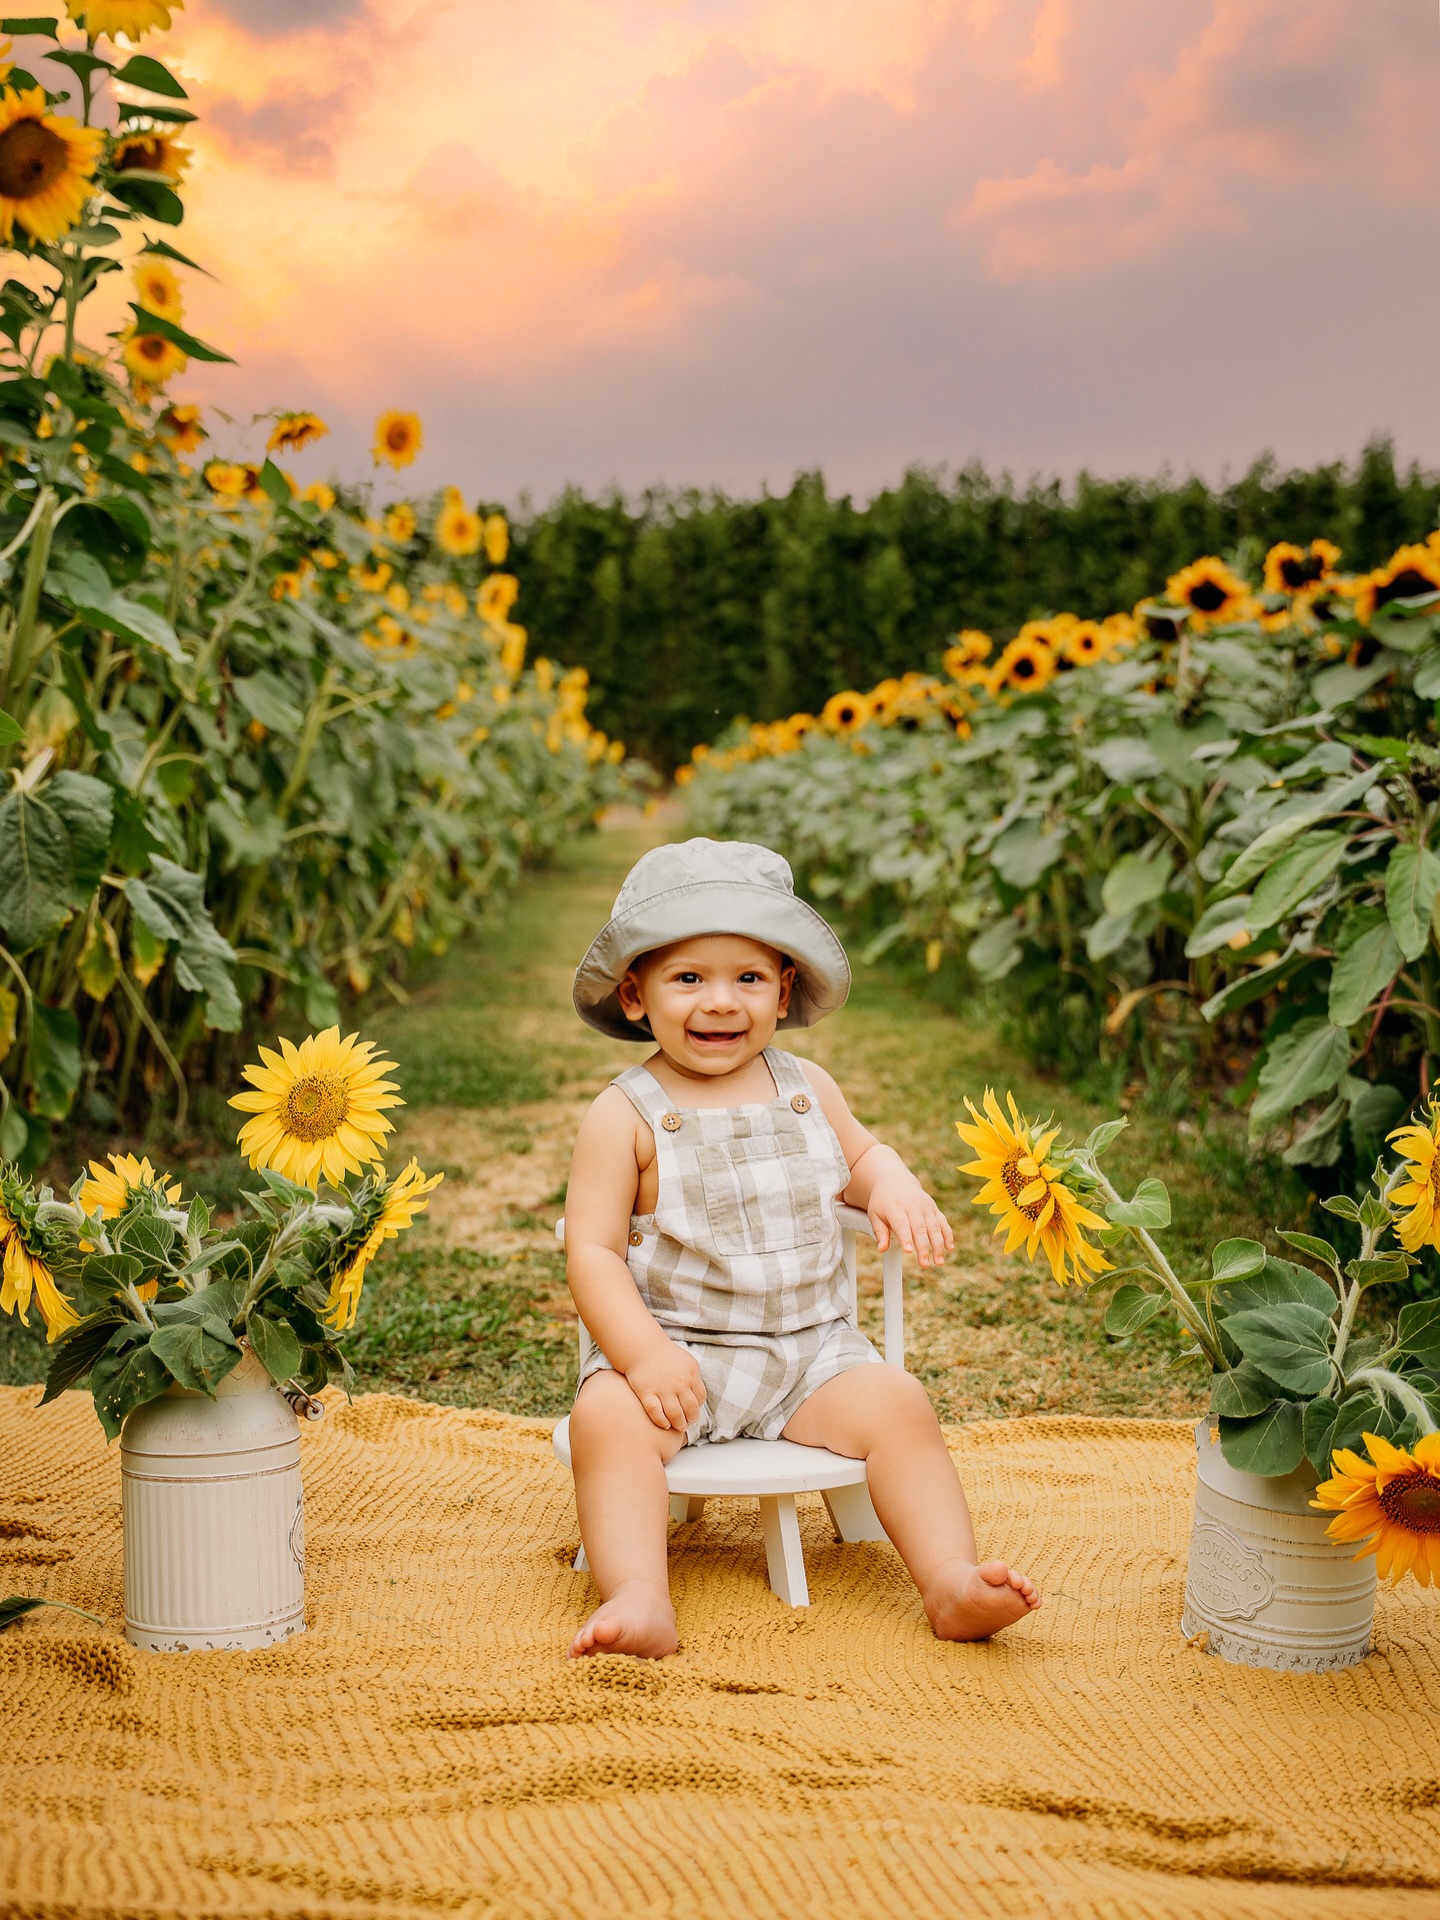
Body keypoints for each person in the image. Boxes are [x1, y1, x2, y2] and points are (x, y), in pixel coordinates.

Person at [563, 837, 1040, 1658]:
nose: (720, 1002)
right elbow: (593, 1254)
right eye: (689, 979)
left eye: (747, 978)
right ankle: (640, 1593)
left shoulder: (806, 1089)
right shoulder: (626, 1114)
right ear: (636, 995)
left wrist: (889, 1182)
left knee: (900, 1404)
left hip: (812, 1353)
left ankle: (951, 1581)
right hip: (684, 1358)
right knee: (604, 1419)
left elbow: (858, 1159)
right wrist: (641, 1356)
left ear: (783, 992)